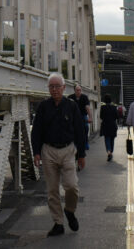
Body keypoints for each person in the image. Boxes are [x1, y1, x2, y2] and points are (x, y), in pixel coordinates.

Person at [31, 72, 86, 236]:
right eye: (51, 87)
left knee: (71, 186)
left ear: (63, 88)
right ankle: (58, 222)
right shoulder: (43, 107)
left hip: (68, 150)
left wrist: (82, 154)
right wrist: (36, 152)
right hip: (48, 151)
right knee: (52, 190)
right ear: (48, 89)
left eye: (57, 86)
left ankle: (70, 210)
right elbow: (37, 132)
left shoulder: (71, 105)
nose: (54, 90)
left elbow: (80, 131)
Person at [68, 83, 92, 151]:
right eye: (77, 90)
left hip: (82, 115)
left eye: (80, 90)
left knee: (86, 127)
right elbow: (67, 108)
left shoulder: (84, 97)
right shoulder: (70, 97)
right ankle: (73, 143)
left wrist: (90, 117)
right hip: (73, 116)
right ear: (74, 90)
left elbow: (87, 107)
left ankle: (86, 142)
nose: (78, 91)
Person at [99, 94, 120, 161]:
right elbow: (117, 116)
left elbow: (101, 117)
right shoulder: (114, 107)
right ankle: (111, 151)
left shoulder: (102, 107)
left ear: (104, 100)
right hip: (113, 125)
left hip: (105, 125)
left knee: (107, 139)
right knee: (112, 139)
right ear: (111, 100)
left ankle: (108, 151)